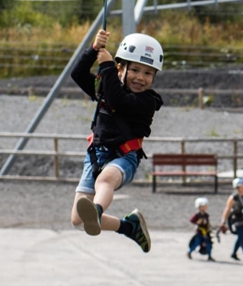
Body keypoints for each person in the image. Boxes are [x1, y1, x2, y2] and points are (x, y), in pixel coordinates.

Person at [69, 29, 164, 253]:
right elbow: (78, 74)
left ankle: (98, 210)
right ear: (121, 68)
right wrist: (93, 51)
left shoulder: (148, 101)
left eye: (149, 73)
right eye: (136, 70)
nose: (141, 77)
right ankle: (129, 226)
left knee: (105, 181)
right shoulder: (106, 88)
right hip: (95, 157)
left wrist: (107, 66)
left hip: (124, 158)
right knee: (78, 220)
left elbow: (119, 101)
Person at [187, 197, 216, 261]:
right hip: (199, 232)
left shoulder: (206, 215)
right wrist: (197, 222)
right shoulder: (197, 215)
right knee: (196, 242)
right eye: (204, 206)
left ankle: (209, 256)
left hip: (206, 232)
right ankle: (189, 252)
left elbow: (207, 223)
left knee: (208, 243)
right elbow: (191, 220)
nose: (206, 207)